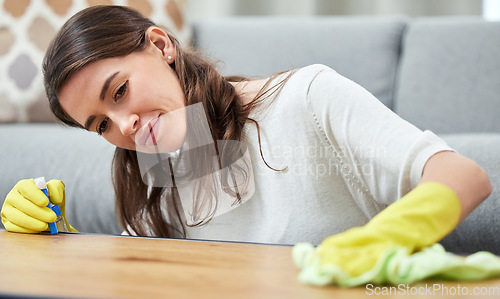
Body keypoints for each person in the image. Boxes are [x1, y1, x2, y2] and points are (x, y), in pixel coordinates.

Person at [1, 6, 492, 246]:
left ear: (162, 45)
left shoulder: (308, 97)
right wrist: (59, 241)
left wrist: (392, 235)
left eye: (120, 91)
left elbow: (465, 176)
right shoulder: (153, 177)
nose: (124, 127)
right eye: (100, 126)